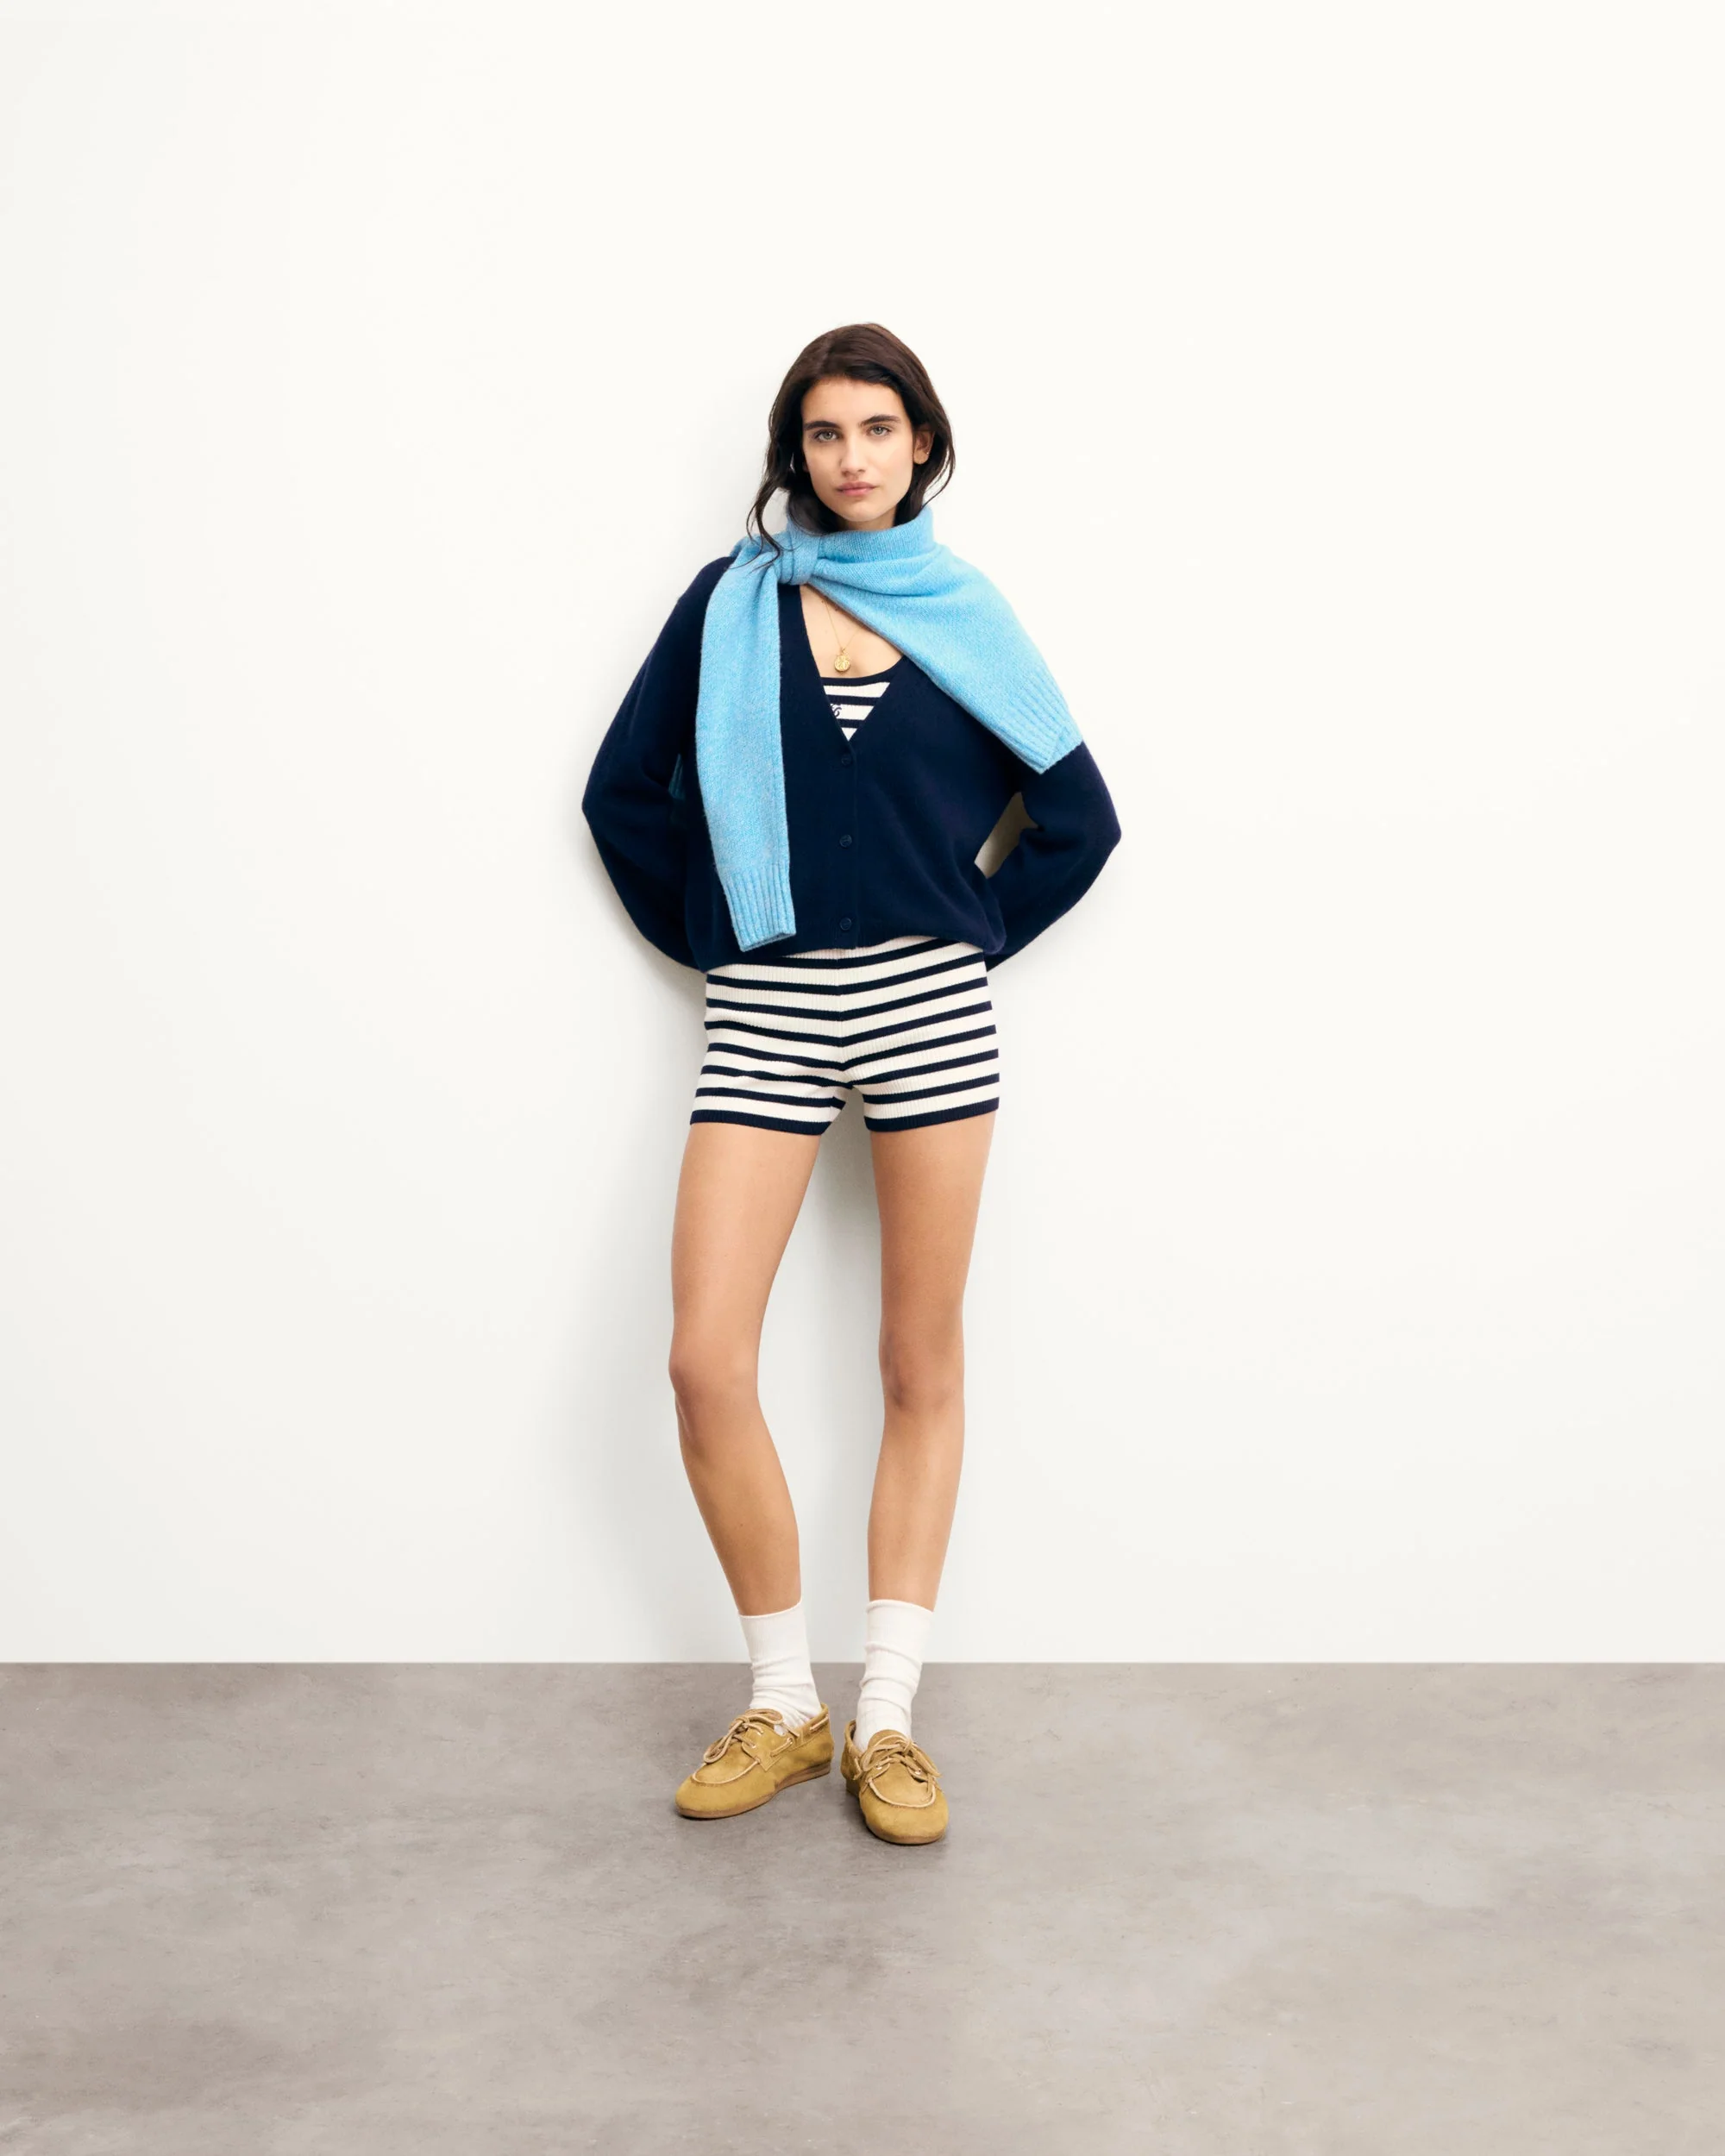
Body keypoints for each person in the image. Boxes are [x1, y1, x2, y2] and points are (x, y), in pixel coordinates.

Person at [581, 323, 1122, 1845]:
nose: (852, 457)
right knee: (704, 1360)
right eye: (824, 433)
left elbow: (1081, 819)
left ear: (922, 444)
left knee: (917, 1363)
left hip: (930, 1009)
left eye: (878, 428)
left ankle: (885, 1716)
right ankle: (783, 1701)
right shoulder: (730, 603)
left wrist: (966, 933)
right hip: (766, 1005)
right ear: (795, 453)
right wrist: (723, 933)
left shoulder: (967, 613)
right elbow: (622, 796)